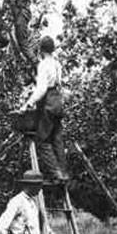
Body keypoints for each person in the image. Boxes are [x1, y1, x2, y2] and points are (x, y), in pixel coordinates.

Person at [22, 36, 68, 181]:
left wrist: (29, 103)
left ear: (40, 50)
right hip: (58, 101)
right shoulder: (56, 64)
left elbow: (42, 88)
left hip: (48, 101)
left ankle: (56, 174)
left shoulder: (43, 65)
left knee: (42, 140)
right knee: (57, 139)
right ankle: (64, 173)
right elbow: (58, 83)